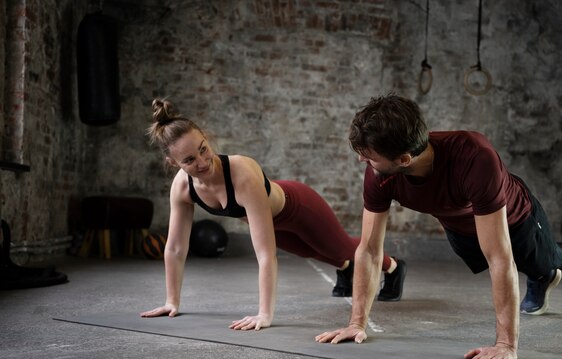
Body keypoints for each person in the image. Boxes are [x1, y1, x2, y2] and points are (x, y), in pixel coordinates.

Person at [315, 94, 562, 359]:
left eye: (369, 157)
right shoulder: (380, 174)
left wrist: (506, 345)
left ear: (404, 159)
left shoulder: (475, 158)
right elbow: (369, 249)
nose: (362, 162)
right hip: (461, 225)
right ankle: (540, 276)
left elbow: (499, 257)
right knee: (522, 265)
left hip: (516, 218)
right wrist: (356, 323)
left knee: (545, 261)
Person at [140, 99, 407, 331]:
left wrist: (264, 314)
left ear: (206, 138)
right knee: (308, 251)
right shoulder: (182, 187)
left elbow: (265, 255)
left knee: (342, 247)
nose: (201, 161)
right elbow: (175, 248)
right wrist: (171, 301)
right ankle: (346, 270)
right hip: (274, 220)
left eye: (203, 149)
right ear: (173, 163)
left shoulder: (242, 173)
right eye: (188, 160)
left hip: (298, 206)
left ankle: (393, 267)